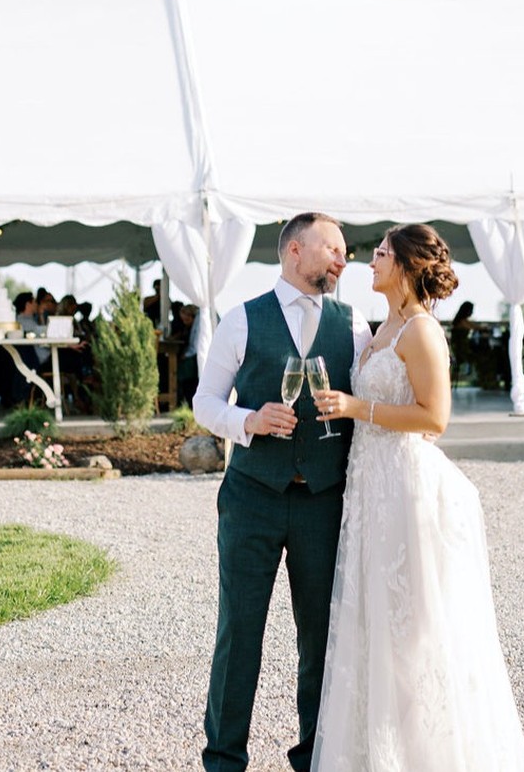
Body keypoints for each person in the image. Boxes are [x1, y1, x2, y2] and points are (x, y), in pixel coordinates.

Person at [309, 223, 524, 772]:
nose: (370, 261)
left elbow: (435, 419)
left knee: (413, 631)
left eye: (382, 254)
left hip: (406, 488)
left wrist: (355, 408)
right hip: (369, 487)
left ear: (408, 267)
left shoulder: (421, 331)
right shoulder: (382, 327)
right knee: (373, 626)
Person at [193, 213, 372, 772]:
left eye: (345, 251)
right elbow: (206, 403)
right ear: (295, 249)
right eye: (333, 248)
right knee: (239, 632)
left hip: (324, 500)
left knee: (320, 639)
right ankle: (224, 761)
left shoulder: (356, 323)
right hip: (252, 498)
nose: (343, 259)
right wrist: (249, 420)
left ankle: (314, 758)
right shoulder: (241, 320)